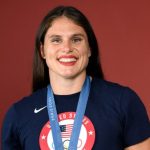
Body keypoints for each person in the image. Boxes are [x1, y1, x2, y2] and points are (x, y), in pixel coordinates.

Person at [1, 6, 150, 150]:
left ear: (89, 48)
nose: (67, 48)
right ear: (42, 51)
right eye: (56, 40)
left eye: (76, 39)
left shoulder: (123, 102)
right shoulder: (19, 114)